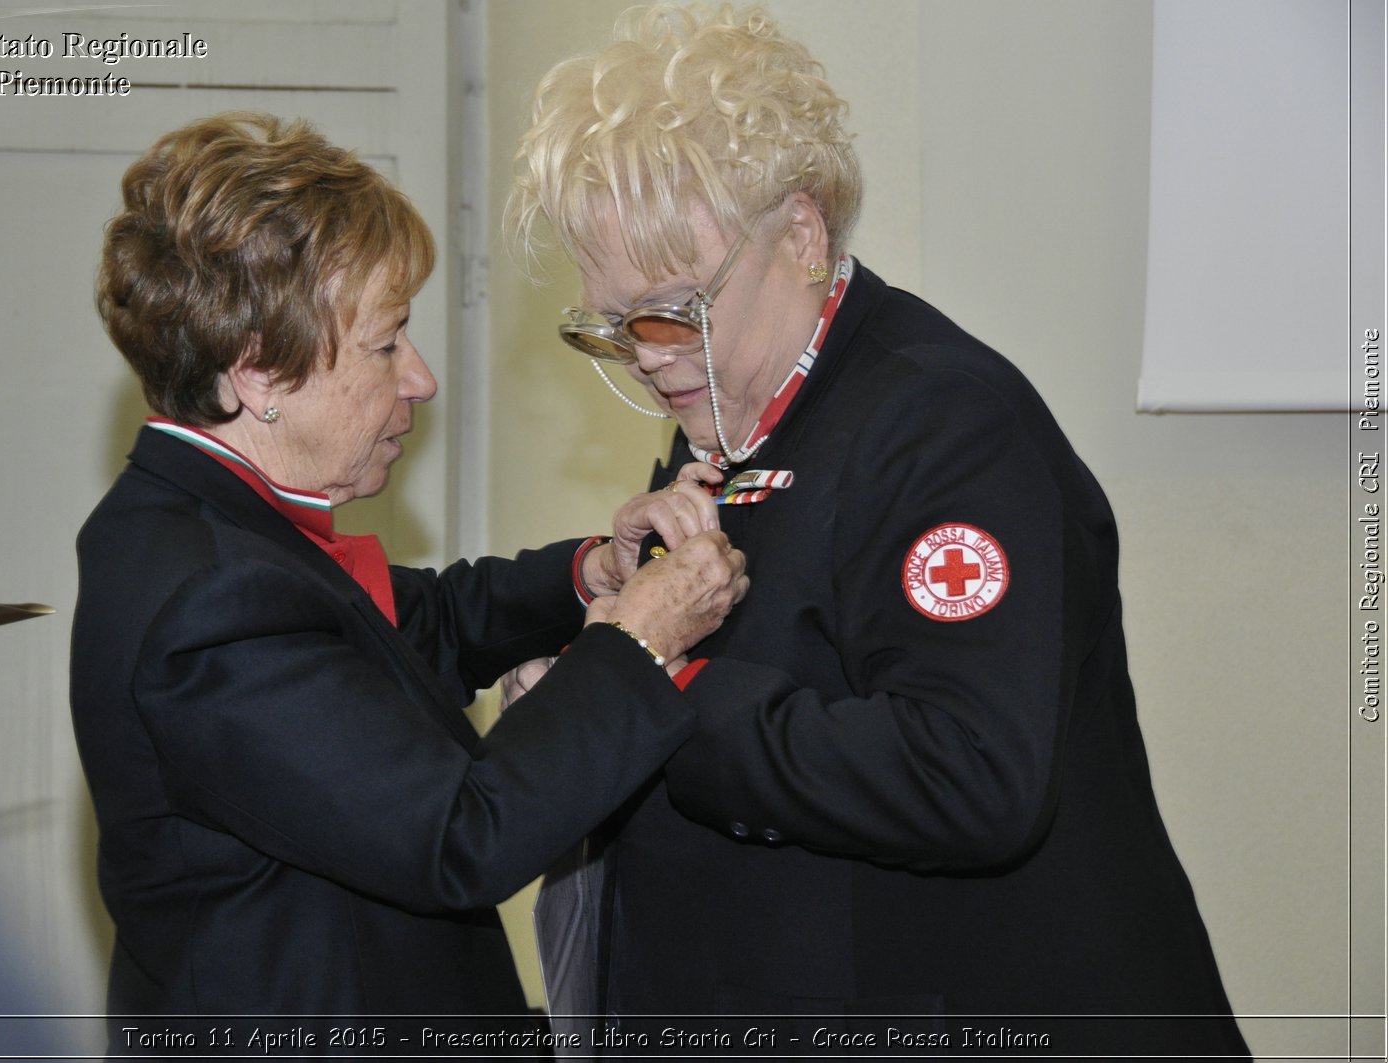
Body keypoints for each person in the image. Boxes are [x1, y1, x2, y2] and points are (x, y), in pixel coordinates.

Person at [507, 3, 1251, 1054]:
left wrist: (652, 690)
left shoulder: (950, 429)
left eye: (674, 310)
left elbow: (969, 774)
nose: (648, 353)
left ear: (801, 237)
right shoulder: (730, 405)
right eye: (613, 323)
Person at [69, 111, 748, 1031]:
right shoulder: (211, 599)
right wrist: (636, 642)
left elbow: (408, 627)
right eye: (387, 343)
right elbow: (461, 835)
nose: (419, 377)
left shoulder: (204, 519)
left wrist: (594, 569)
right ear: (261, 372)